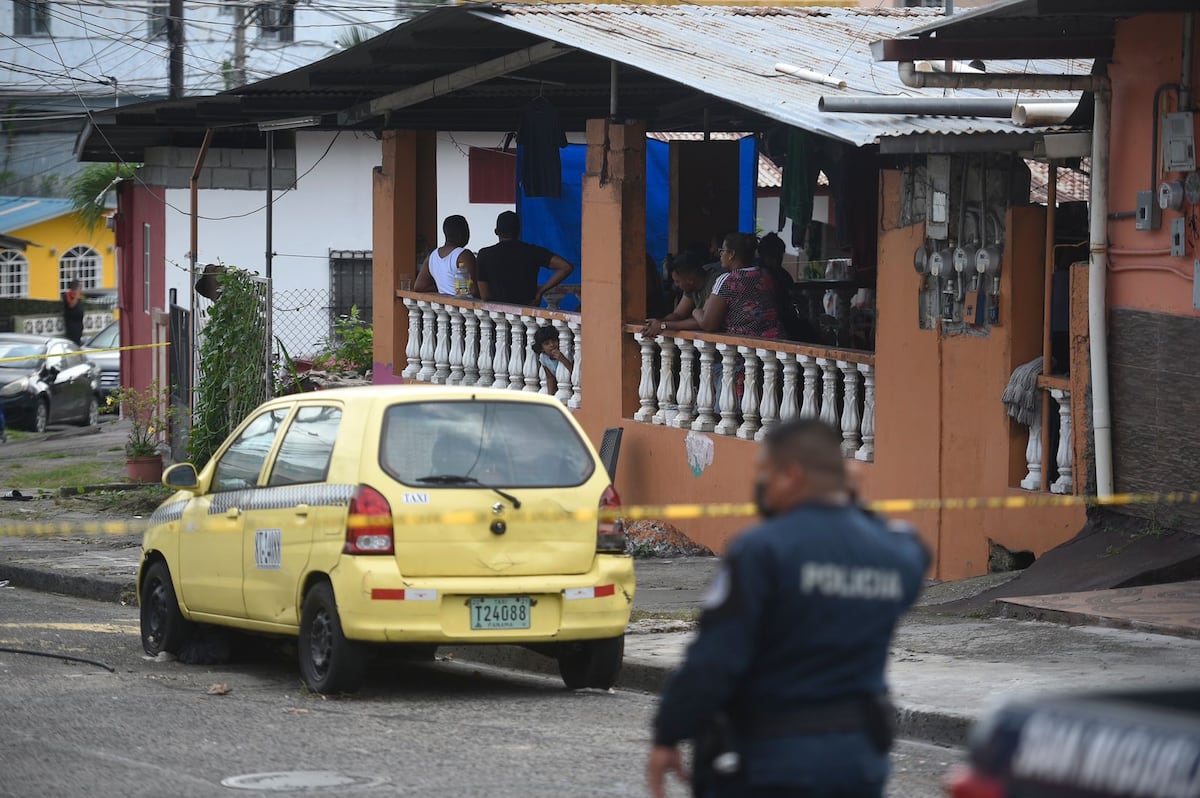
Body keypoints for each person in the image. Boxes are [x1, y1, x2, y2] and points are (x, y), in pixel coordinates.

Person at [647, 418, 930, 798]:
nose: (761, 486)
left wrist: (669, 733)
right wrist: (853, 508)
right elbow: (914, 550)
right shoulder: (894, 555)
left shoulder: (762, 551)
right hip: (857, 761)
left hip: (772, 760)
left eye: (766, 473)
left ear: (793, 475)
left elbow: (714, 660)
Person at [476, 211, 574, 306]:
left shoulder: (484, 255)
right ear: (519, 230)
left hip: (497, 318)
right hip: (527, 316)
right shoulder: (533, 252)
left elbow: (485, 296)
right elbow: (566, 267)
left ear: (496, 231)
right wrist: (541, 291)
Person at [693, 233, 781, 339]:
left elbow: (708, 324)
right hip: (774, 343)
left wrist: (696, 312)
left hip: (743, 347)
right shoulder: (765, 276)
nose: (720, 255)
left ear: (731, 254)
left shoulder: (728, 280)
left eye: (723, 251)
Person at [643, 252, 720, 336]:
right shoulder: (691, 288)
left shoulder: (714, 282)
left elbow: (703, 322)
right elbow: (678, 314)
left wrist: (664, 325)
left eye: (677, 281)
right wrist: (659, 322)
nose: (675, 285)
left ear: (690, 280)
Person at [414, 215, 476, 297]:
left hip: (445, 307)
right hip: (464, 307)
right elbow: (473, 289)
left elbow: (419, 286)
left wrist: (443, 288)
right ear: (462, 233)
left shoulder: (432, 256)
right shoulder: (464, 255)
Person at [530, 325, 572, 395]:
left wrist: (563, 359)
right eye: (547, 343)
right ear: (541, 348)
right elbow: (549, 377)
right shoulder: (543, 357)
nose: (552, 344)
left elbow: (574, 372)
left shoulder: (565, 353)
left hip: (569, 385)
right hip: (559, 385)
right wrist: (550, 395)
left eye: (554, 341)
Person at [62, 279, 85, 346]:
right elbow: (71, 305)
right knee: (73, 342)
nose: (81, 288)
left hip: (79, 324)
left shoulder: (78, 296)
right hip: (72, 325)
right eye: (80, 287)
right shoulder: (68, 295)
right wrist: (77, 295)